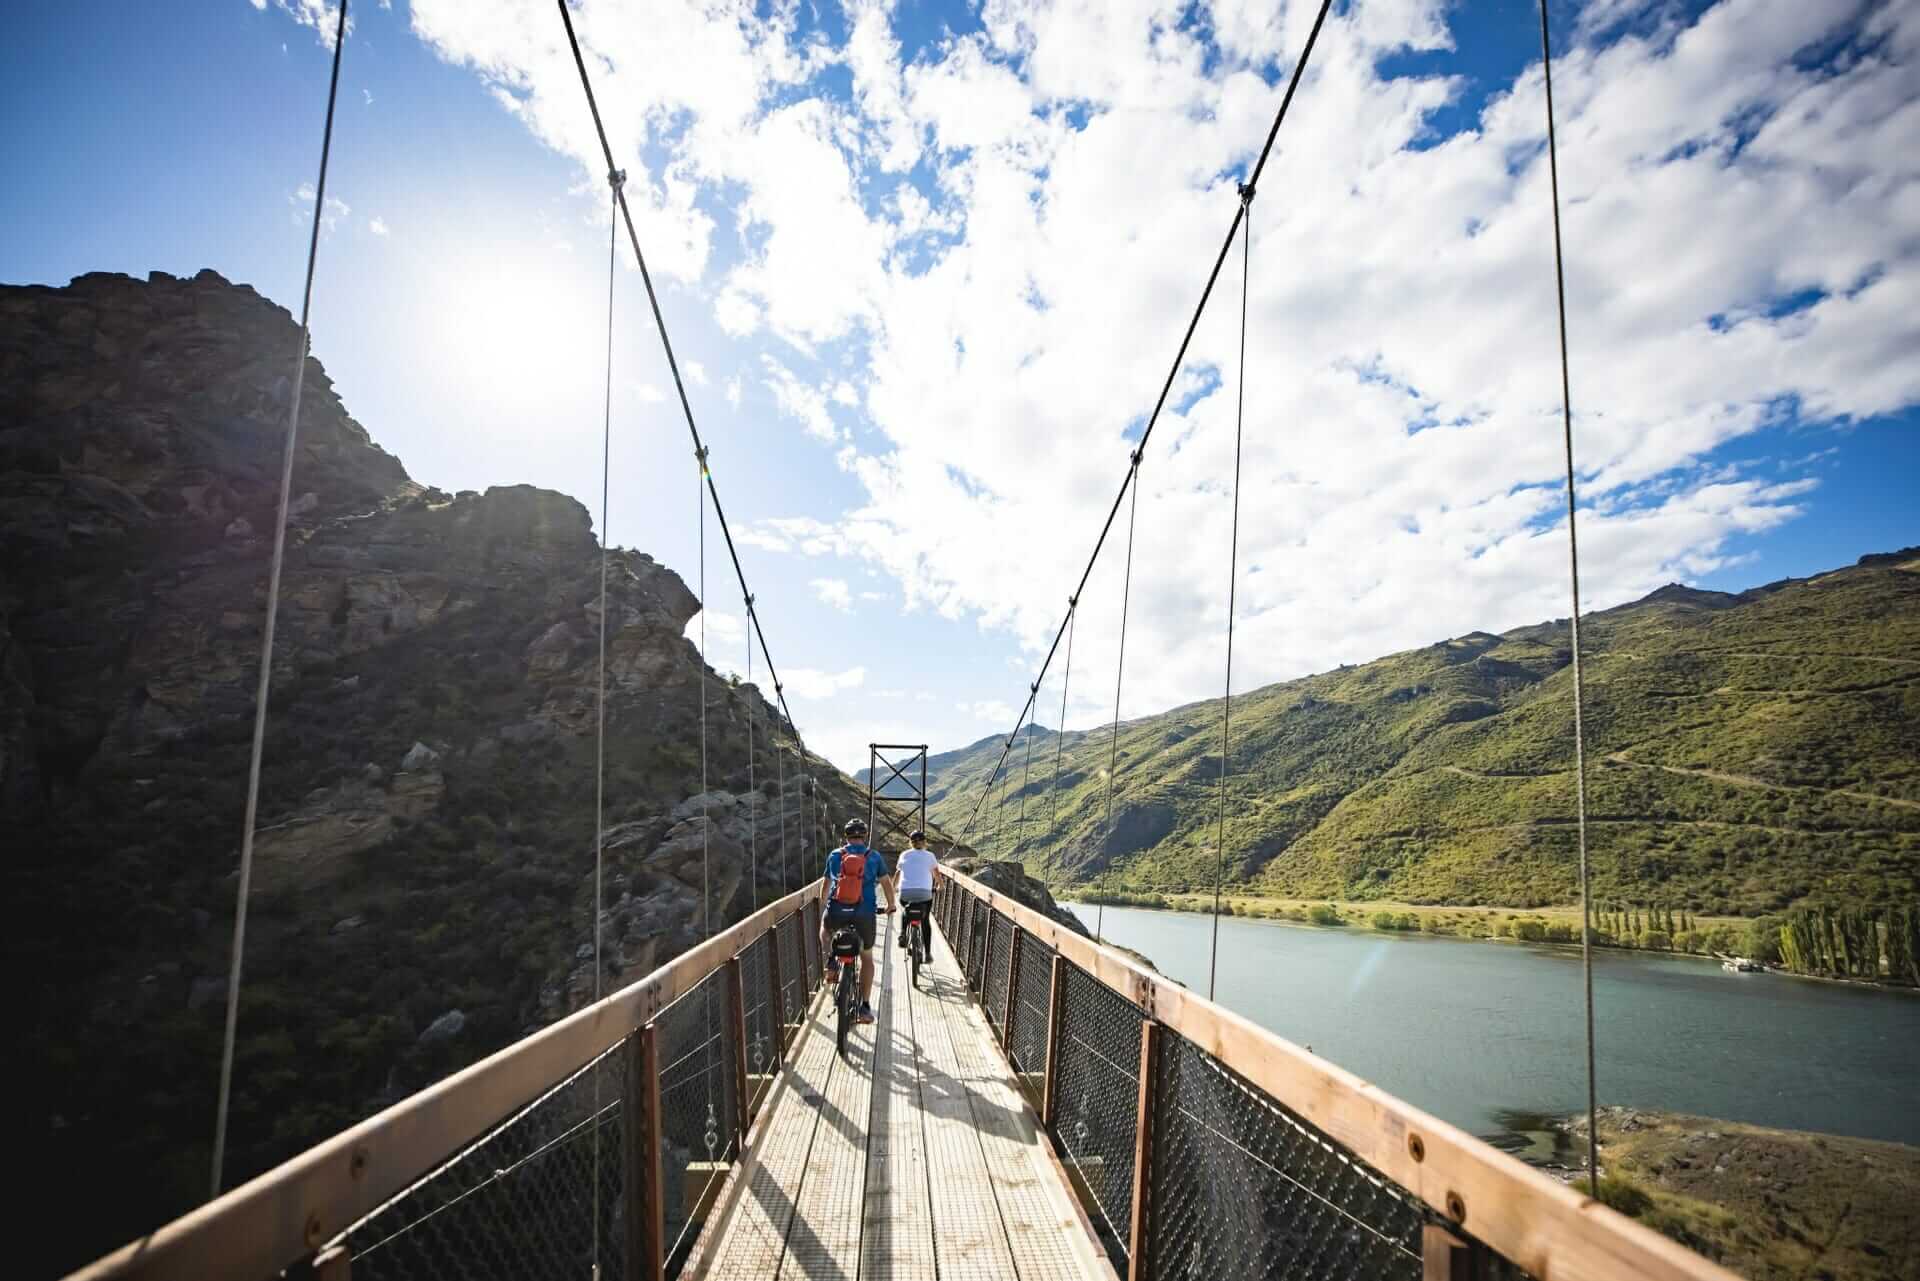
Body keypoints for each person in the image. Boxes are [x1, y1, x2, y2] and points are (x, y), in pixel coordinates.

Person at [821, 817, 896, 1025]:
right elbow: (887, 884)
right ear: (864, 836)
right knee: (867, 958)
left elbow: (826, 885)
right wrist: (890, 905)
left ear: (846, 837)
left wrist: (824, 905)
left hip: (837, 911)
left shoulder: (835, 855)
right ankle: (864, 1006)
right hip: (864, 914)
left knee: (824, 929)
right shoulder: (874, 856)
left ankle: (830, 962)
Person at [894, 829, 938, 949]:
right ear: (924, 842)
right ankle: (927, 950)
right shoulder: (930, 856)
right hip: (925, 894)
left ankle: (903, 932)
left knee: (905, 909)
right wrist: (941, 886)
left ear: (910, 842)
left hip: (905, 893)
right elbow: (936, 874)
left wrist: (894, 887)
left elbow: (898, 873)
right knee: (925, 918)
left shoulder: (904, 854)